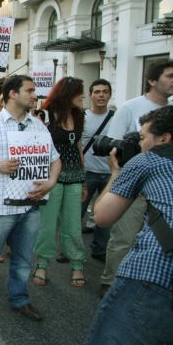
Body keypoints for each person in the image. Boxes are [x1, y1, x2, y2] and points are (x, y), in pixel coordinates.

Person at [84, 106, 173, 345]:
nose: (140, 143)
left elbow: (102, 216)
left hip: (157, 275)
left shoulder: (148, 159)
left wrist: (116, 172)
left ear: (164, 139)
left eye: (142, 137)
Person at [0, 75, 61, 325]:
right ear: (12, 94)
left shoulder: (38, 125)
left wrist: (50, 182)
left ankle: (19, 299)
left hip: (31, 205)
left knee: (23, 258)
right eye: (29, 90)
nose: (34, 95)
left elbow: (55, 159)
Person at [99, 59, 173, 297]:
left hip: (167, 190)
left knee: (160, 240)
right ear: (152, 81)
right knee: (124, 237)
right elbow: (113, 148)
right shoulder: (130, 107)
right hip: (133, 186)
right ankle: (112, 283)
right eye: (170, 76)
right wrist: (119, 175)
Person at [33, 77, 87, 288]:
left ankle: (77, 265)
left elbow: (79, 148)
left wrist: (83, 182)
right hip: (50, 178)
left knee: (73, 224)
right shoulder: (45, 115)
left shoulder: (79, 116)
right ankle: (42, 264)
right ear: (68, 94)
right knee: (46, 225)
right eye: (79, 92)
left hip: (74, 176)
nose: (83, 96)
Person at [80, 79, 114, 261]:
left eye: (105, 92)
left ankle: (99, 249)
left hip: (109, 174)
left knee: (104, 215)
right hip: (86, 173)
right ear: (91, 95)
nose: (101, 95)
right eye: (97, 92)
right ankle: (70, 249)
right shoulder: (82, 117)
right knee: (76, 212)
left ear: (109, 95)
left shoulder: (116, 118)